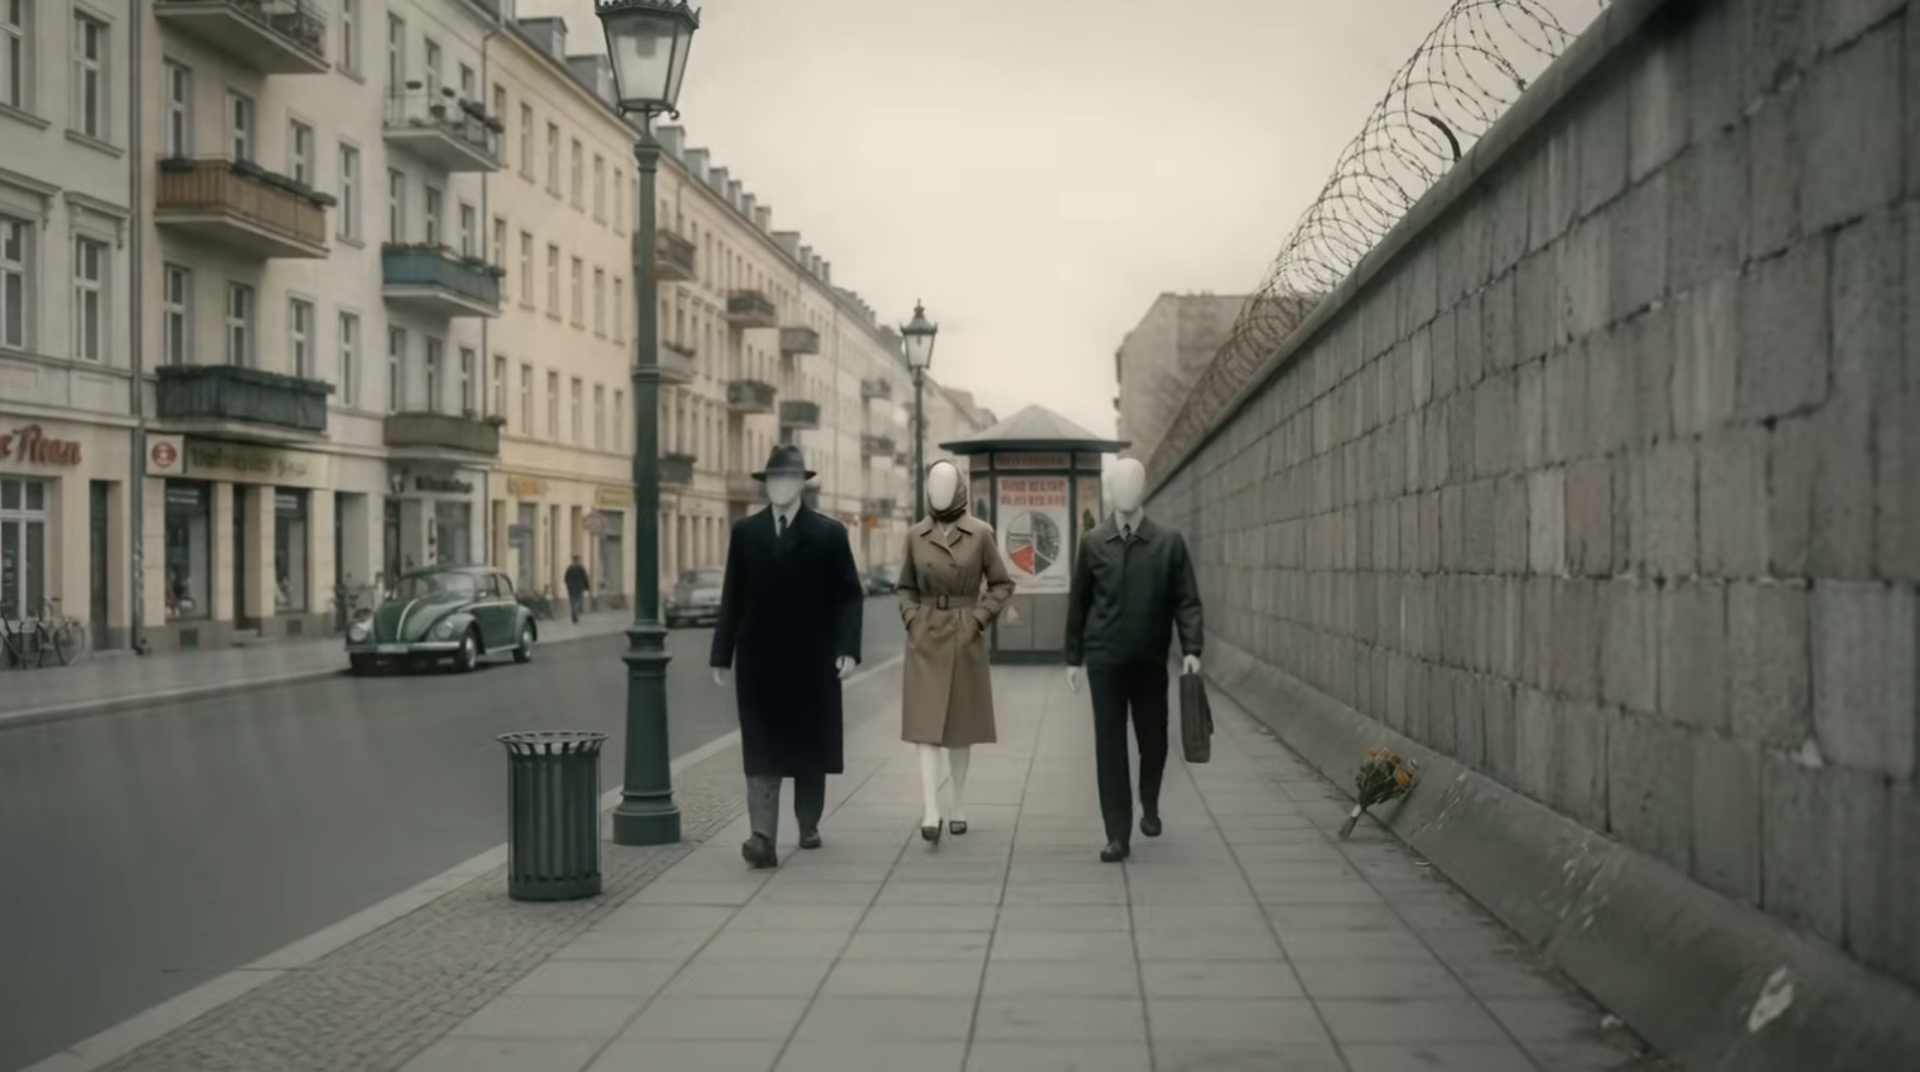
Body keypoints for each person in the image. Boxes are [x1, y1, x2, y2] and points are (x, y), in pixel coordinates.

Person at [711, 445, 864, 870]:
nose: (779, 487)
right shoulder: (746, 533)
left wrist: (848, 649)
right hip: (759, 662)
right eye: (773, 479)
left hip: (812, 662)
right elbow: (732, 596)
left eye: (787, 479)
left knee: (809, 748)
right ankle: (762, 837)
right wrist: (722, 654)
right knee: (761, 748)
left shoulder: (829, 534)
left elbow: (849, 597)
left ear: (801, 484)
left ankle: (808, 822)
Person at [1064, 456, 1205, 863]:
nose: (1125, 490)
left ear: (1142, 488)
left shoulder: (1168, 543)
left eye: (1133, 482)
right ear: (1110, 490)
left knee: (1154, 739)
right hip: (1104, 659)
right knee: (1109, 744)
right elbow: (1079, 602)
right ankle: (1117, 834)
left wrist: (1191, 648)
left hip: (1149, 660)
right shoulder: (1093, 543)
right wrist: (1073, 657)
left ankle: (1150, 799)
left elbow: (1187, 600)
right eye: (1119, 483)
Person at [897, 459, 1015, 845]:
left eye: (946, 484)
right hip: (926, 634)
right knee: (925, 726)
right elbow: (905, 587)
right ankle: (930, 810)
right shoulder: (915, 534)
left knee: (960, 727)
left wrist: (978, 619)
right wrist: (912, 618)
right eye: (933, 484)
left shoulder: (980, 533)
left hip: (965, 633)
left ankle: (957, 804)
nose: (939, 491)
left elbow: (1001, 584)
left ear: (959, 489)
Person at [564, 555, 590, 624]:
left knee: (572, 602)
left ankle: (574, 613)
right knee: (578, 601)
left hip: (571, 588)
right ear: (578, 560)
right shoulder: (581, 568)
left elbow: (566, 578)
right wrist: (587, 587)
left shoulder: (570, 568)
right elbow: (585, 578)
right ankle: (575, 613)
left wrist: (568, 585)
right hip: (579, 587)